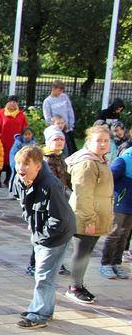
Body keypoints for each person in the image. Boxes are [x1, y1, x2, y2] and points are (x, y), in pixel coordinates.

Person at [14, 146, 76, 329]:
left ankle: (38, 315)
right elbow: (24, 204)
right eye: (18, 163)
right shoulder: (22, 179)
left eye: (26, 164)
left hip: (56, 235)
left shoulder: (50, 184)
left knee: (44, 275)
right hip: (42, 233)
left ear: (38, 166)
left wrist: (42, 235)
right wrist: (32, 223)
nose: (21, 168)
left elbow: (60, 219)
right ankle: (44, 310)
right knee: (44, 274)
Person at [64, 125, 114, 304]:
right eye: (98, 140)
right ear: (89, 142)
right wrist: (88, 220)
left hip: (97, 215)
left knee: (87, 252)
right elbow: (82, 195)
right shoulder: (87, 163)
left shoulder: (99, 160)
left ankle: (79, 284)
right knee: (82, 252)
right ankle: (74, 287)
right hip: (85, 216)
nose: (103, 144)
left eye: (106, 141)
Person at [26, 126, 72, 276]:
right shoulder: (44, 160)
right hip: (45, 202)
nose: (59, 142)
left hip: (60, 200)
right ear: (48, 141)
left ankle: (56, 262)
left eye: (61, 139)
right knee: (42, 233)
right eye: (55, 139)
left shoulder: (62, 158)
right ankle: (34, 264)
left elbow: (67, 179)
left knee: (58, 232)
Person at [100, 146, 132, 280]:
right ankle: (106, 263)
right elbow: (108, 178)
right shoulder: (124, 160)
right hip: (119, 204)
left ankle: (116, 263)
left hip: (130, 206)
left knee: (124, 236)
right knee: (114, 234)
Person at [0, 96, 28, 186]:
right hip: (2, 141)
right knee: (0, 160)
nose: (12, 103)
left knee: (12, 160)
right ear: (7, 103)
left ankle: (8, 179)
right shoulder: (1, 114)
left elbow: (25, 128)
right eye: (10, 101)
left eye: (14, 102)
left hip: (15, 143)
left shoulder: (21, 115)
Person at [42, 81, 76, 153]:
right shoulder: (47, 101)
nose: (60, 92)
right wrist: (54, 127)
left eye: (62, 91)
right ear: (53, 89)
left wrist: (71, 124)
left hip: (67, 128)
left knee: (71, 148)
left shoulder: (65, 97)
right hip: (56, 129)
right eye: (59, 90)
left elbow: (70, 110)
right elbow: (48, 117)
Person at [8, 127, 36, 192]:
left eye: (29, 134)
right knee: (14, 175)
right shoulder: (19, 142)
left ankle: (26, 188)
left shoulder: (33, 142)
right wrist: (14, 164)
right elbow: (13, 153)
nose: (27, 136)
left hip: (27, 162)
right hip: (17, 162)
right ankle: (11, 189)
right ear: (22, 135)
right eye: (26, 134)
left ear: (32, 134)